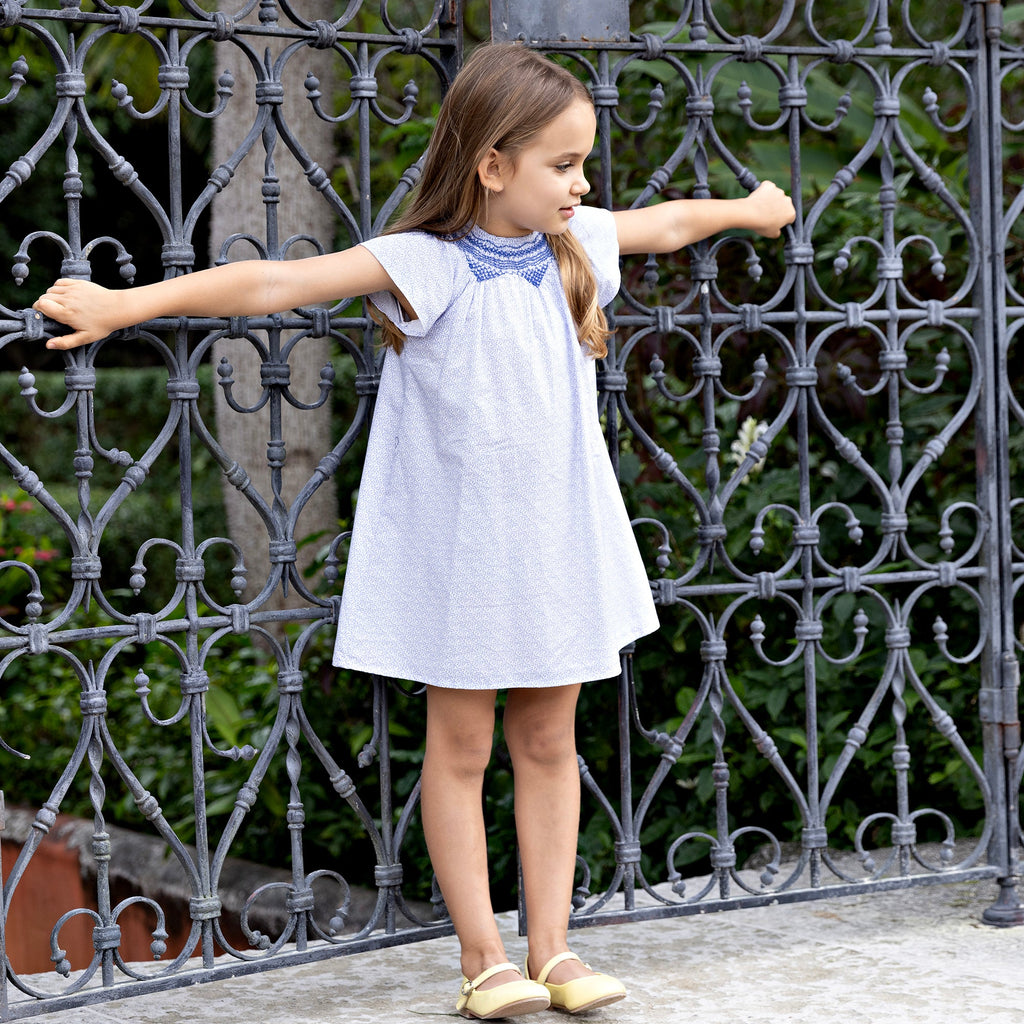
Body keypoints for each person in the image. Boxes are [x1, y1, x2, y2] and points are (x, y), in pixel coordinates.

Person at [33, 41, 795, 1019]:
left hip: (557, 546)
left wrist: (752, 208)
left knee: (552, 739)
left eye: (582, 163)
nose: (581, 182)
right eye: (561, 164)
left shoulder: (578, 248)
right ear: (491, 165)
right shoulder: (422, 264)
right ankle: (485, 955)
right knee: (462, 744)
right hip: (463, 556)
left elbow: (670, 222)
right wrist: (128, 302)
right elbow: (273, 285)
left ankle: (554, 950)